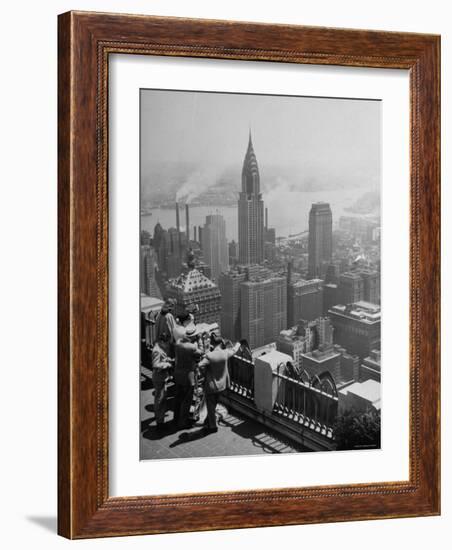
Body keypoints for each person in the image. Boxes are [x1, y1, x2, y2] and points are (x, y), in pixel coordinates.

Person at [198, 335, 240, 433]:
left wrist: (205, 373)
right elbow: (233, 350)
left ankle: (212, 427)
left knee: (210, 406)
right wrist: (238, 344)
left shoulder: (209, 356)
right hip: (222, 385)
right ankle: (208, 420)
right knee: (214, 403)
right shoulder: (225, 353)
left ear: (212, 344)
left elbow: (200, 365)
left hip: (211, 385)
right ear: (221, 343)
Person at [173, 325, 203, 429]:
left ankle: (175, 419)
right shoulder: (192, 347)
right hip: (188, 377)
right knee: (186, 400)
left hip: (177, 374)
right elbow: (201, 352)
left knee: (178, 398)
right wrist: (199, 341)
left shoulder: (178, 344)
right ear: (194, 336)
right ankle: (182, 422)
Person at [151, 331, 173, 430]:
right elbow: (156, 365)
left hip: (162, 377)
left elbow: (161, 359)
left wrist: (167, 359)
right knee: (160, 400)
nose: (168, 344)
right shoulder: (157, 350)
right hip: (159, 378)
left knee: (162, 399)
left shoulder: (160, 348)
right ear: (162, 341)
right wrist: (167, 364)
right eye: (167, 342)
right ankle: (160, 423)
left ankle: (160, 419)